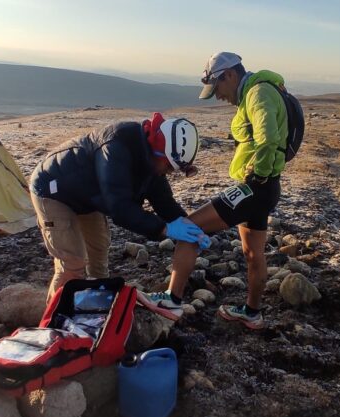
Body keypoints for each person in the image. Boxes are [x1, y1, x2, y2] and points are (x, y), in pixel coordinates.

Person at [137, 52, 289, 329]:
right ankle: (252, 314)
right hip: (266, 189)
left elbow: (268, 138)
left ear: (229, 75)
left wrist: (259, 174)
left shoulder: (257, 94)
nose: (217, 96)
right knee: (254, 253)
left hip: (257, 187)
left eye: (216, 88)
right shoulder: (260, 91)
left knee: (190, 228)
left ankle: (172, 299)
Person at [30, 113, 210, 301]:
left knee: (98, 251)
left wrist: (189, 225)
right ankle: (54, 322)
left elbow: (163, 200)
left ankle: (94, 306)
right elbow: (120, 208)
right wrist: (164, 228)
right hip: (53, 190)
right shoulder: (116, 147)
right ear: (158, 152)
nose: (169, 172)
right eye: (169, 167)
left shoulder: (153, 160)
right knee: (72, 263)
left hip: (87, 195)